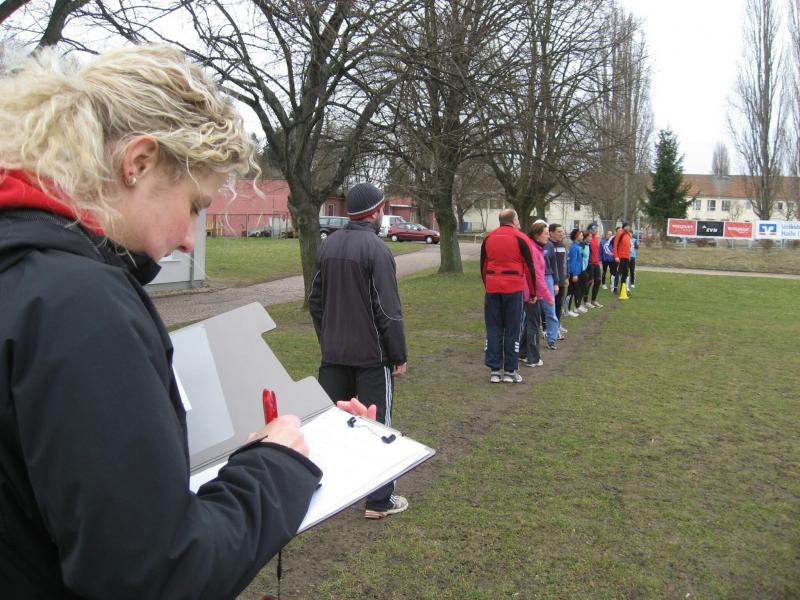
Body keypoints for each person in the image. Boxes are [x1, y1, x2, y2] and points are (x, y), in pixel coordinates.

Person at [0, 46, 337, 598]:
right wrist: (276, 466)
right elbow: (153, 574)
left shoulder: (23, 270)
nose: (188, 239)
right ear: (138, 161)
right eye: (195, 205)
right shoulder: (80, 303)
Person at [308, 182, 409, 519]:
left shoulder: (328, 245)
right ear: (376, 211)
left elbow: (315, 301)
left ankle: (323, 491)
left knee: (329, 426)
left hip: (334, 355)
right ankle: (379, 500)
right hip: (371, 358)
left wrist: (328, 338)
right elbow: (388, 309)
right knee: (377, 427)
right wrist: (398, 354)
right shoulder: (377, 250)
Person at [480, 209, 537, 384]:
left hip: (493, 288)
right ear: (513, 220)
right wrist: (533, 292)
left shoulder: (489, 238)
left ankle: (495, 370)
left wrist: (488, 285)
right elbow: (529, 267)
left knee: (494, 328)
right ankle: (510, 371)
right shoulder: (521, 238)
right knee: (513, 329)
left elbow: (483, 265)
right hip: (513, 288)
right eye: (517, 219)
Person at [519, 223, 552, 368]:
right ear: (537, 235)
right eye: (546, 233)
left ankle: (522, 353)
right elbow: (538, 276)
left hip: (530, 291)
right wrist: (548, 296)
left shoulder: (535, 247)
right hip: (531, 293)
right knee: (534, 324)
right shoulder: (533, 249)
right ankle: (533, 358)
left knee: (529, 323)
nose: (548, 236)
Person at [531, 221, 560, 350]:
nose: (548, 236)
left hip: (547, 278)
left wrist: (555, 283)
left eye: (548, 232)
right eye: (545, 233)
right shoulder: (529, 244)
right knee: (531, 310)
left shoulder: (549, 245)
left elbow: (554, 265)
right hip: (533, 278)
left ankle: (551, 339)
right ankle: (530, 339)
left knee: (550, 310)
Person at [549, 223, 569, 338]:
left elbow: (564, 262)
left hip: (561, 279)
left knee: (559, 303)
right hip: (550, 280)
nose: (562, 234)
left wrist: (566, 276)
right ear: (551, 233)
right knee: (550, 305)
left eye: (562, 231)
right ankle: (548, 328)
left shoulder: (562, 245)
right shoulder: (547, 245)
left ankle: (557, 325)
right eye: (559, 232)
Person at [566, 228, 584, 316]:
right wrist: (574, 274)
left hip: (576, 273)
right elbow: (572, 262)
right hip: (574, 274)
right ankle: (567, 310)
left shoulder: (577, 246)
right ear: (576, 236)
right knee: (570, 292)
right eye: (581, 235)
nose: (582, 236)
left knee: (573, 291)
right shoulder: (574, 247)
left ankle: (569, 309)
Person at [585, 223, 603, 308]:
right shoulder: (588, 239)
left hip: (596, 263)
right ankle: (586, 301)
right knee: (589, 282)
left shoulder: (596, 238)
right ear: (590, 230)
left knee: (598, 281)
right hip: (590, 264)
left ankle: (593, 300)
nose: (596, 230)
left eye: (597, 228)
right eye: (595, 228)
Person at [613, 222, 633, 297]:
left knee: (625, 273)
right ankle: (615, 288)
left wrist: (629, 256)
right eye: (627, 226)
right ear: (624, 226)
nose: (629, 228)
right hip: (620, 257)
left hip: (626, 257)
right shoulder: (620, 233)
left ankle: (622, 289)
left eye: (629, 226)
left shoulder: (628, 235)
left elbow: (629, 246)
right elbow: (615, 245)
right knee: (618, 273)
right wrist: (616, 256)